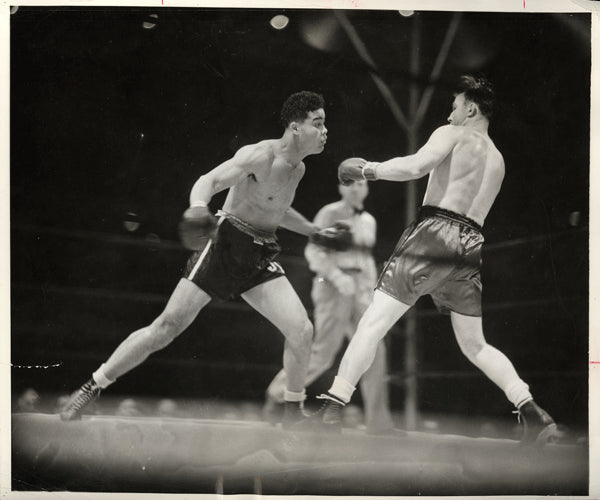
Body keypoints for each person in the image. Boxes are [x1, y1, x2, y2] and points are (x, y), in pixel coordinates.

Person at [59, 91, 351, 426]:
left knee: (301, 330)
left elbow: (277, 210)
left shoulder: (297, 169)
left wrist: (316, 232)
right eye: (318, 123)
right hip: (225, 244)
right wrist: (198, 209)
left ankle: (291, 415)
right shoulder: (259, 155)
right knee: (165, 328)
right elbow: (208, 181)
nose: (325, 130)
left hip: (260, 253)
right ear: (296, 128)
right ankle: (92, 386)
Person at [308, 75, 558, 445]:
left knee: (373, 323)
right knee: (475, 345)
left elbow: (415, 167)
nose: (451, 111)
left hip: (434, 231)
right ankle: (533, 411)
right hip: (471, 244)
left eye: (455, 105)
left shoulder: (453, 134)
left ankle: (332, 407)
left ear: (471, 108)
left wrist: (368, 169)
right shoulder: (499, 160)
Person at [263, 179, 395, 434]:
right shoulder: (329, 213)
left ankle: (378, 422)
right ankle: (277, 396)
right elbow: (314, 252)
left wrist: (371, 292)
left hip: (361, 289)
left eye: (360, 183)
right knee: (324, 352)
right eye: (349, 183)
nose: (355, 188)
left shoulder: (369, 221)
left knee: (376, 351)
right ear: (340, 187)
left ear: (367, 188)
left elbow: (366, 259)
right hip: (332, 286)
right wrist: (337, 276)